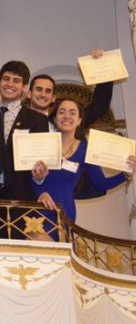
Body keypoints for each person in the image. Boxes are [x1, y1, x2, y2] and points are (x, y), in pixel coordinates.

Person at [32, 99, 136, 241]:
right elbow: (27, 175)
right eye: (62, 112)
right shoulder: (42, 143)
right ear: (55, 119)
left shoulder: (85, 150)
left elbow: (101, 184)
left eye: (72, 113)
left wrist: (125, 174)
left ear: (79, 120)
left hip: (64, 209)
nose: (67, 116)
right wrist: (41, 191)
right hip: (37, 206)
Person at [0, 61, 49, 201]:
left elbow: (39, 161)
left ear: (25, 88)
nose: (10, 84)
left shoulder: (37, 120)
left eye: (16, 81)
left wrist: (39, 177)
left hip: (20, 197)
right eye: (6, 79)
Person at [27, 50, 113, 131]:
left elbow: (99, 106)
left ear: (53, 98)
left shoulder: (67, 122)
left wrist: (102, 66)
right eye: (38, 89)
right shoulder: (17, 121)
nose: (43, 94)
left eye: (48, 91)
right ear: (29, 94)